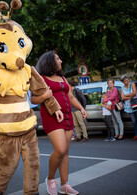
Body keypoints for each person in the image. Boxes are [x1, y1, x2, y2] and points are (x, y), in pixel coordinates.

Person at [32, 51, 87, 195]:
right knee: (60, 150)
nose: (61, 61)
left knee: (66, 152)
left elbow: (70, 97)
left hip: (67, 116)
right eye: (58, 58)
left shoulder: (62, 77)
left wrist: (81, 108)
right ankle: (50, 179)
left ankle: (64, 184)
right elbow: (33, 99)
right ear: (49, 61)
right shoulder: (41, 78)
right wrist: (45, 95)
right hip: (52, 117)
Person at [120, 75, 137, 140]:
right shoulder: (122, 88)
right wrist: (130, 96)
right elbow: (122, 97)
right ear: (123, 82)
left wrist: (126, 95)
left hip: (136, 104)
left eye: (128, 79)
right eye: (126, 80)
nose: (128, 81)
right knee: (134, 121)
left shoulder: (132, 84)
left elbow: (134, 93)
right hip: (128, 106)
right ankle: (136, 135)